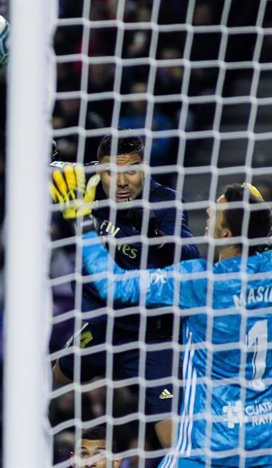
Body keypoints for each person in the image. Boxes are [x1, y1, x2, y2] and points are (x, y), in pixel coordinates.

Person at [79, 183, 272, 466]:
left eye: (217, 208)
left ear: (226, 234)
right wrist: (270, 234)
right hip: (264, 450)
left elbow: (112, 284)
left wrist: (81, 222)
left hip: (204, 452)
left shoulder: (202, 282)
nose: (208, 209)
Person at [50, 134, 200, 448]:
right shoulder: (88, 183)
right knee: (50, 382)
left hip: (153, 335)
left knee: (171, 438)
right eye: (111, 173)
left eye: (131, 171)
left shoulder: (164, 202)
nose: (120, 182)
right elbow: (57, 170)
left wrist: (158, 236)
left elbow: (190, 255)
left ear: (144, 168)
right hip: (103, 324)